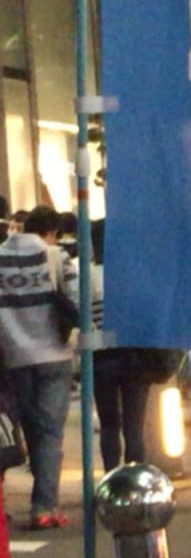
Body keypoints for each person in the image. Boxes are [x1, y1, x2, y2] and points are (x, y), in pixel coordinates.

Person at [0, 204, 77, 530]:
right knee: (50, 431)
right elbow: (77, 300)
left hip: (14, 356)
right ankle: (43, 506)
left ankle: (40, 498)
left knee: (31, 428)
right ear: (51, 232)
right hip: (54, 354)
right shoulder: (57, 256)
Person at [89, 219, 178, 471]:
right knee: (134, 425)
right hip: (136, 357)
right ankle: (135, 477)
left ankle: (111, 476)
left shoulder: (87, 277)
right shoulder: (137, 274)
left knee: (109, 424)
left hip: (102, 359)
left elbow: (83, 322)